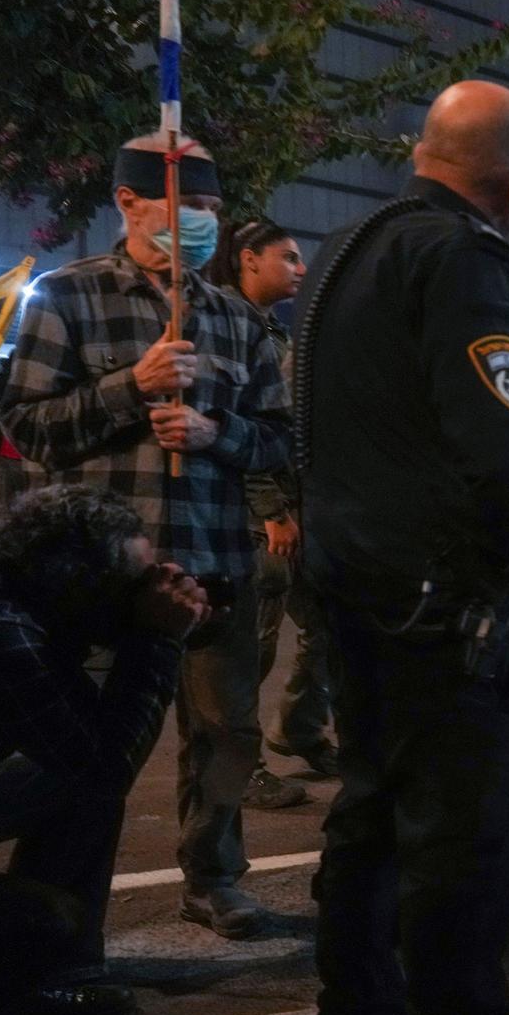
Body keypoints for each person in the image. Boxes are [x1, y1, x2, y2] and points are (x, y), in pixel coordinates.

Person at [295, 80, 509, 1015]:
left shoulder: (344, 251)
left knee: (367, 821)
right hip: (445, 617)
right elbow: (503, 451)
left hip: (353, 594)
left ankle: (356, 1013)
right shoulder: (461, 258)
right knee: (464, 855)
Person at [0, 130, 291, 939]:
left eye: (210, 207)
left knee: (225, 734)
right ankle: (60, 920)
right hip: (97, 577)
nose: (201, 221)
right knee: (83, 758)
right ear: (129, 201)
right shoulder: (68, 297)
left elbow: (278, 437)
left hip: (212, 561)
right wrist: (133, 387)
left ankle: (214, 876)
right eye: (184, 203)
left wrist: (214, 432)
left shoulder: (236, 318)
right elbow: (26, 424)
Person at [0, 485, 210, 1015]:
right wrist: (158, 641)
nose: (151, 588)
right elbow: (108, 766)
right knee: (47, 916)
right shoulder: (7, 635)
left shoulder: (22, 601)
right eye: (135, 581)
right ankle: (28, 988)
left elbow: (87, 748)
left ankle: (59, 973)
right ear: (81, 585)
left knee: (73, 787)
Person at [205, 218, 332, 808]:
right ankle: (241, 767)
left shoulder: (270, 329)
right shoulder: (226, 323)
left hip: (293, 509)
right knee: (247, 652)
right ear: (248, 260)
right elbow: (244, 428)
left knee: (328, 627)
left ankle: (299, 729)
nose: (300, 269)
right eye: (288, 257)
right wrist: (274, 511)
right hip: (255, 518)